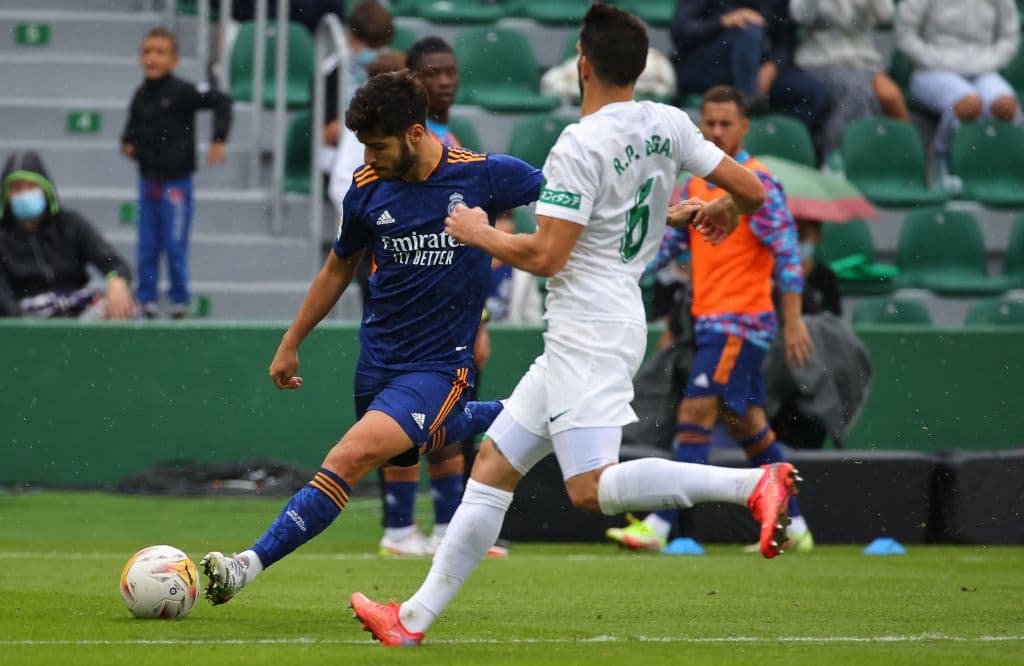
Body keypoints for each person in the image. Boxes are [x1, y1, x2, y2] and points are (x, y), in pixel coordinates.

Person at [349, 5, 799, 647]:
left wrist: (478, 232)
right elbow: (753, 189)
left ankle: (754, 483)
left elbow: (546, 256)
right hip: (601, 319)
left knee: (590, 489)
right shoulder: (669, 122)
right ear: (639, 68)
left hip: (589, 325)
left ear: (583, 65)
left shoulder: (579, 144)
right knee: (493, 466)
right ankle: (411, 620)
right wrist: (720, 206)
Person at [199, 70, 539, 605]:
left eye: (378, 146)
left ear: (415, 133)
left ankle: (245, 565)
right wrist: (292, 341)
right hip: (377, 362)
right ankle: (522, 411)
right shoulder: (365, 187)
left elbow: (569, 197)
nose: (368, 157)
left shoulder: (484, 175)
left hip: (438, 366)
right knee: (412, 444)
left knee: (348, 457)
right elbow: (338, 268)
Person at [605, 85, 815, 554]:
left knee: (693, 413)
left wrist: (795, 319)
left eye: (726, 123)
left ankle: (661, 524)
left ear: (744, 127)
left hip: (741, 324)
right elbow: (670, 248)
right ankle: (796, 525)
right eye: (710, 123)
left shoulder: (758, 183)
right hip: (709, 323)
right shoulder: (696, 185)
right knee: (746, 425)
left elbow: (787, 253)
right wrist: (619, 270)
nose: (717, 132)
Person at [120, 28, 232, 319]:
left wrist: (219, 139)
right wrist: (130, 146)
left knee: (174, 245)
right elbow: (129, 134)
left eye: (161, 52)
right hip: (148, 183)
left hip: (176, 185)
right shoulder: (140, 96)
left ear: (174, 60)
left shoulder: (183, 91)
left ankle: (179, 303)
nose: (152, 58)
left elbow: (221, 101)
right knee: (147, 246)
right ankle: (146, 301)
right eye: (147, 51)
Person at [895, 0, 1022, 190]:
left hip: (983, 68)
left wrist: (987, 61)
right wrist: (934, 58)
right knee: (969, 104)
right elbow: (904, 33)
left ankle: (1007, 169)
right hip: (931, 69)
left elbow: (1009, 35)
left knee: (1006, 106)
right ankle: (938, 161)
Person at [0, 151, 135, 319]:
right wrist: (26, 326)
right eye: (17, 189)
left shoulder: (70, 224)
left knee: (124, 306)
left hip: (76, 311)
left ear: (46, 190)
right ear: (7, 195)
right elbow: (4, 298)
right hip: (21, 317)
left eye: (31, 187)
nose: (24, 194)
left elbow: (113, 263)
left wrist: (117, 282)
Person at [670, 0, 829, 138]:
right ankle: (749, 106)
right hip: (705, 65)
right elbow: (681, 31)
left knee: (813, 94)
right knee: (750, 28)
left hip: (757, 69)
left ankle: (771, 142)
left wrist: (773, 66)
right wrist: (724, 21)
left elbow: (786, 40)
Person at [790, 0, 909, 159]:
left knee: (891, 95)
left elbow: (885, 14)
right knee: (857, 92)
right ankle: (840, 158)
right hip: (821, 61)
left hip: (863, 62)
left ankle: (908, 155)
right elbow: (800, 15)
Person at [322, 1, 395, 180]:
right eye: (367, 45)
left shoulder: (393, 67)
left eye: (379, 45)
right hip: (340, 156)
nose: (375, 52)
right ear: (350, 37)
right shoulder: (331, 72)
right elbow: (327, 134)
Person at [486, 210, 544, 324]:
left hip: (509, 332)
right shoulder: (472, 265)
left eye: (508, 219)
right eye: (498, 220)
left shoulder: (522, 271)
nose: (504, 226)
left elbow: (534, 320)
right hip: (478, 332)